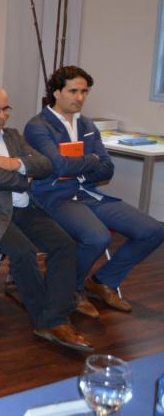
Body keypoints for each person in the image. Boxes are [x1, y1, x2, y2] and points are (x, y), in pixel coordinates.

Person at [0, 83, 89, 352]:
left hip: (22, 209)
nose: (1, 115)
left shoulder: (13, 136)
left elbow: (45, 164)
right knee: (24, 251)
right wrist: (25, 178)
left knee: (65, 245)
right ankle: (48, 321)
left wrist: (15, 163)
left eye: (5, 109)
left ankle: (55, 314)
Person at [24, 65, 164, 318]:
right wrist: (91, 160)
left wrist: (78, 168)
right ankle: (71, 289)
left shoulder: (87, 124)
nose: (80, 97)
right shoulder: (38, 126)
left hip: (88, 194)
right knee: (97, 237)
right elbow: (59, 166)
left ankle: (103, 282)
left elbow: (107, 169)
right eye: (73, 91)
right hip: (55, 196)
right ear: (56, 92)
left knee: (153, 230)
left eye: (84, 92)